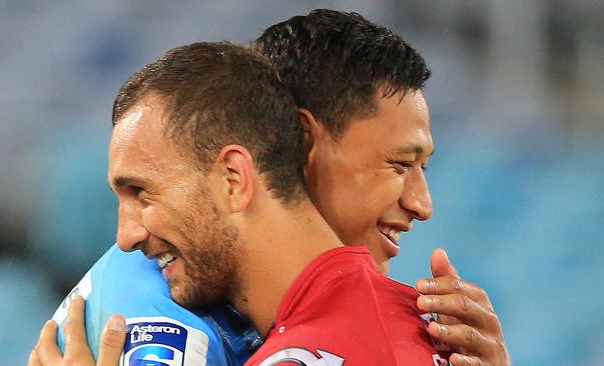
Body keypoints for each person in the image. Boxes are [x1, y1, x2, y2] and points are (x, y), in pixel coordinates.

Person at [34, 9, 510, 366]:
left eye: (145, 192)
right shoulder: (157, 294)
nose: (422, 204)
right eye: (399, 165)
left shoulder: (336, 343)